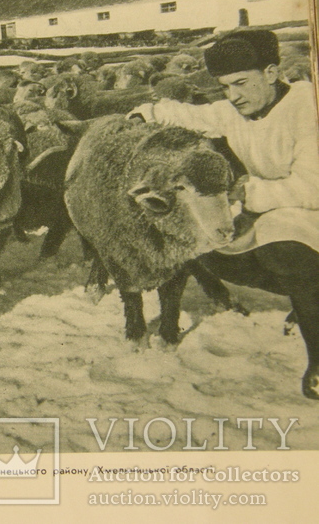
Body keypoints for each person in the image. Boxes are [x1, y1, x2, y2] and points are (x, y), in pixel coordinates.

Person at [130, 29, 319, 399]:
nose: (233, 96)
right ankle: (308, 297)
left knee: (284, 251)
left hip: (308, 207)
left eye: (241, 83)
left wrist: (246, 191)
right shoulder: (236, 109)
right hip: (272, 207)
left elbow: (312, 187)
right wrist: (145, 113)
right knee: (214, 253)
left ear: (270, 72)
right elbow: (191, 115)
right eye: (224, 87)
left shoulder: (307, 107)